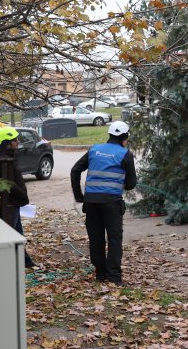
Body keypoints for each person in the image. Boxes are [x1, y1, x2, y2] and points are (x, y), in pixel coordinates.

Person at [70, 120, 137, 285]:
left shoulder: (94, 149)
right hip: (111, 203)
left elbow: (75, 170)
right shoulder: (125, 154)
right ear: (124, 137)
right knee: (114, 239)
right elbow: (131, 184)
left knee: (96, 238)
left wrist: (80, 196)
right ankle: (114, 277)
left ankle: (100, 274)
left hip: (91, 203)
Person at [0, 127, 35, 268]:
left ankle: (26, 262)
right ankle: (3, 265)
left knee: (18, 234)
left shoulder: (6, 156)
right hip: (10, 204)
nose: (18, 141)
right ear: (7, 142)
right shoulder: (3, 160)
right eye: (15, 139)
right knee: (10, 235)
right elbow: (8, 184)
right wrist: (23, 196)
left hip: (14, 203)